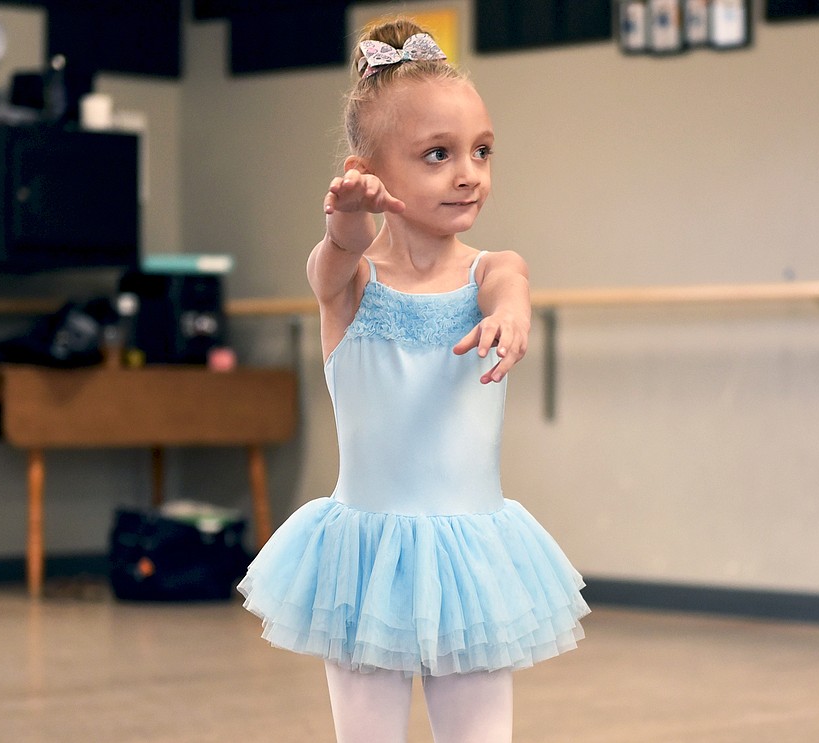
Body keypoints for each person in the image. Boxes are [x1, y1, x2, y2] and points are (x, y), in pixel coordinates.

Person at [237, 17, 589, 743]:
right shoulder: (349, 285)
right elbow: (333, 257)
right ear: (370, 169)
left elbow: (511, 286)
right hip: (363, 564)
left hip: (473, 559)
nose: (469, 173)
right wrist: (346, 224)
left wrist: (511, 317)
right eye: (437, 154)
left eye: (482, 152)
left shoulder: (493, 268)